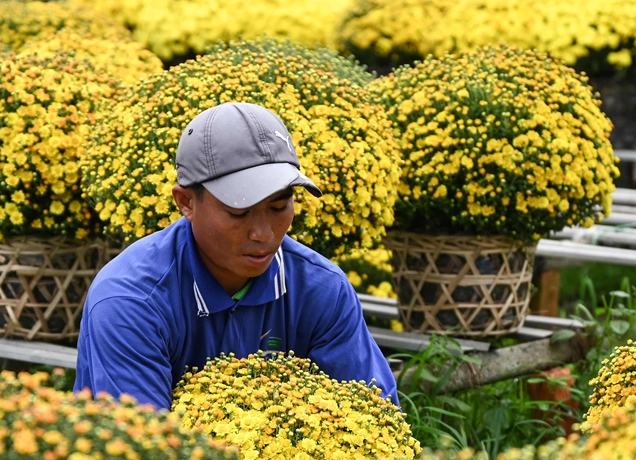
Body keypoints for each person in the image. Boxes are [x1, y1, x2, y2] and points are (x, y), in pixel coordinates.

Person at [74, 101, 397, 410]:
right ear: (185, 201)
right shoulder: (131, 301)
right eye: (238, 212)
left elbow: (375, 419)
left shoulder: (322, 289)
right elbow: (146, 451)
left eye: (279, 206)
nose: (264, 233)